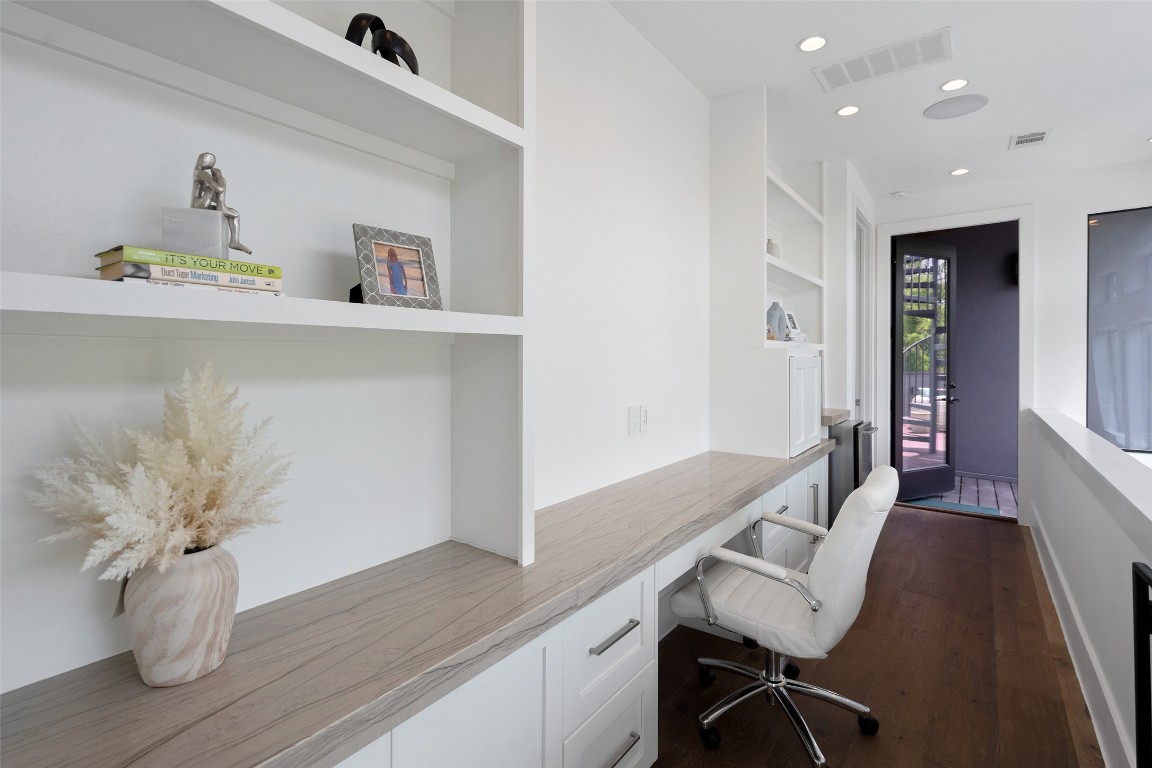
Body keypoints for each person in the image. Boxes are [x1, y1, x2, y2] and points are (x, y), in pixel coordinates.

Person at [190, 152, 252, 254]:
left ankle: (234, 241)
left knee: (234, 213)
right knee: (221, 181)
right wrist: (218, 174)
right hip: (199, 204)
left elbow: (214, 194)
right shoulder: (201, 173)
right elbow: (220, 188)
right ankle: (221, 208)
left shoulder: (197, 173)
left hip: (202, 203)